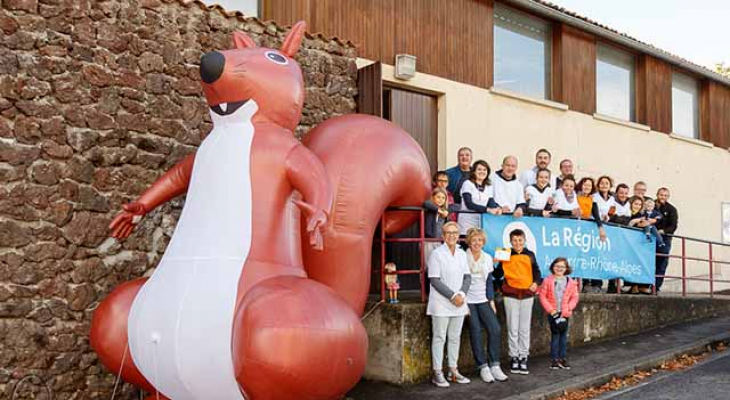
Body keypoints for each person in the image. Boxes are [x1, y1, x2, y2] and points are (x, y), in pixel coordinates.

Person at [427, 221, 472, 387]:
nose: (452, 235)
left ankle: (453, 370)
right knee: (439, 337)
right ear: (443, 236)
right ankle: (437, 372)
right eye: (449, 232)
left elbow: (467, 277)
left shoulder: (462, 253)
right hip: (440, 303)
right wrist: (452, 295)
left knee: (454, 337)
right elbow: (434, 280)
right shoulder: (437, 254)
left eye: (455, 232)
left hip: (459, 302)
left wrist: (460, 294)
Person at [492, 229, 541, 375]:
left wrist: (536, 282)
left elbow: (536, 271)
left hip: (527, 294)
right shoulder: (505, 253)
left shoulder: (530, 254)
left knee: (524, 328)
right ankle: (514, 356)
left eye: (520, 240)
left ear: (524, 240)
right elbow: (498, 275)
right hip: (510, 294)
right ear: (510, 241)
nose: (517, 243)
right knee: (512, 327)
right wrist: (496, 264)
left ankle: (523, 356)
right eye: (514, 240)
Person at [464, 228, 508, 383]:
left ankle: (495, 365)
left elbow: (489, 282)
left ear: (483, 242)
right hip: (467, 301)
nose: (477, 243)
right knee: (475, 331)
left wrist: (491, 301)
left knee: (495, 328)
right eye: (474, 240)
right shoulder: (462, 257)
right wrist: (462, 303)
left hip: (483, 300)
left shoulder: (488, 258)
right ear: (469, 241)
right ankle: (483, 366)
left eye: (480, 240)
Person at [538, 257, 579, 370]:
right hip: (553, 313)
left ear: (566, 268)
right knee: (555, 335)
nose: (559, 268)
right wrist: (551, 310)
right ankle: (554, 359)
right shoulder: (547, 280)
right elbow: (542, 296)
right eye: (557, 266)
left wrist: (569, 309)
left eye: (562, 267)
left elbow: (574, 297)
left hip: (565, 313)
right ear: (553, 267)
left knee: (564, 336)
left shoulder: (571, 282)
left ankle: (563, 358)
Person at [575, 177, 607, 292]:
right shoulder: (575, 197)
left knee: (587, 256)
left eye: (589, 185)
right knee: (575, 256)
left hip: (586, 232)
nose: (587, 187)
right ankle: (574, 283)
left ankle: (587, 283)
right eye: (585, 184)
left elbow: (597, 216)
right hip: (574, 230)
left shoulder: (593, 201)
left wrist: (601, 229)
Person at [459, 160, 501, 235]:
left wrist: (499, 208)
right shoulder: (467, 184)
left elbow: (490, 202)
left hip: (481, 222)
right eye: (479, 169)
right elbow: (469, 204)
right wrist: (487, 210)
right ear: (474, 171)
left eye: (485, 170)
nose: (482, 172)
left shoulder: (488, 186)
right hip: (467, 223)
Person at [624, 196, 652, 295]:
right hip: (627, 243)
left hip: (639, 243)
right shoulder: (627, 213)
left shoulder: (642, 215)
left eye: (640, 204)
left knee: (639, 263)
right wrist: (633, 222)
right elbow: (626, 225)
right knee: (630, 263)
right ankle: (632, 286)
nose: (637, 206)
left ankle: (642, 286)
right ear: (631, 204)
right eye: (636, 204)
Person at [655, 187, 678, 293]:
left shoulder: (672, 209)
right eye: (661, 195)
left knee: (662, 262)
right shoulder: (651, 205)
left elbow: (673, 226)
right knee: (649, 261)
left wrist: (663, 231)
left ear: (668, 197)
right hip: (650, 238)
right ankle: (645, 285)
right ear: (657, 195)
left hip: (665, 239)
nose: (663, 197)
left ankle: (656, 287)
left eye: (665, 195)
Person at [423, 187, 457, 262]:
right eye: (438, 197)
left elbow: (455, 207)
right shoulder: (430, 209)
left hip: (440, 241)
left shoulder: (445, 211)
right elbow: (426, 203)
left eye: (443, 198)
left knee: (439, 262)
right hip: (429, 240)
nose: (440, 200)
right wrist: (439, 211)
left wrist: (446, 213)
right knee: (428, 263)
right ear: (433, 197)